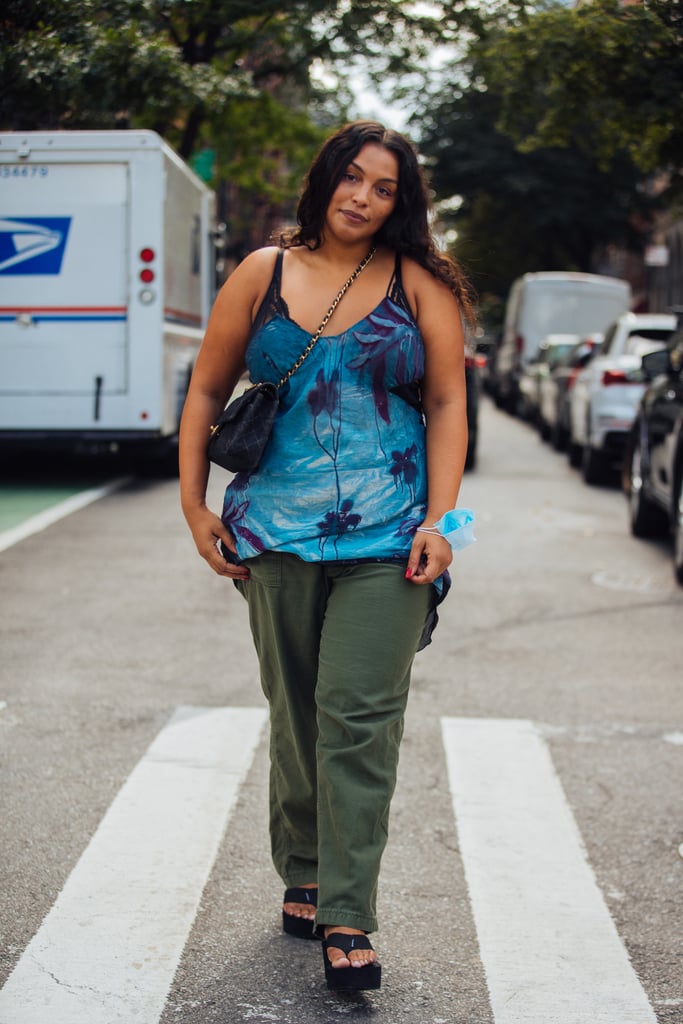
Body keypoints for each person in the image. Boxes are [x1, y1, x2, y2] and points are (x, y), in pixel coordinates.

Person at [179, 120, 475, 992]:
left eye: (384, 188)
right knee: (297, 710)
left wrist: (442, 522)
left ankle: (349, 912)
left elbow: (451, 404)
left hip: (390, 536)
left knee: (358, 717)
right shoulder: (261, 273)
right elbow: (205, 388)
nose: (363, 197)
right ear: (325, 180)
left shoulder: (418, 281)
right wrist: (192, 505)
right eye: (353, 178)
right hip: (273, 530)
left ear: (401, 203)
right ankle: (302, 861)